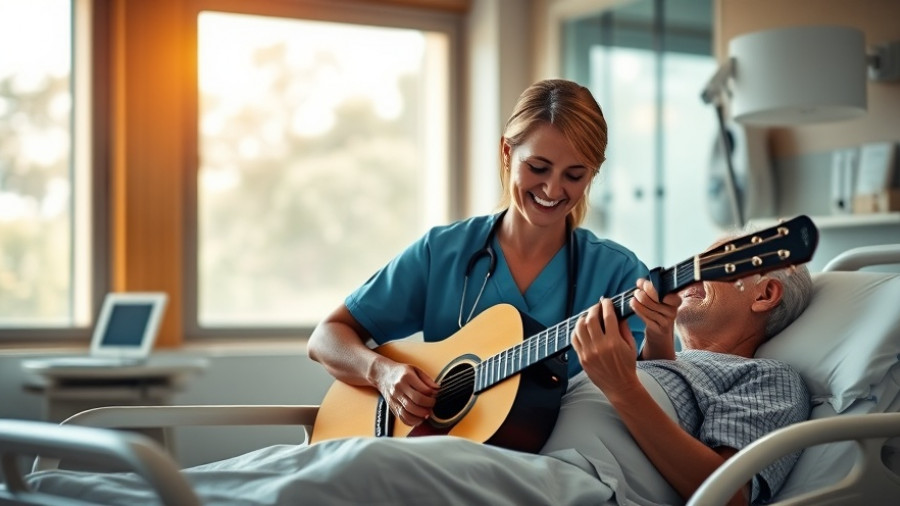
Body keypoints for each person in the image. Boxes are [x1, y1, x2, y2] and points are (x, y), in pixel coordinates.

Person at [308, 79, 671, 428]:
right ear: (507, 153)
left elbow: (657, 396)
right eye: (538, 168)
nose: (552, 189)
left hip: (554, 458)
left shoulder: (618, 273)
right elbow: (327, 337)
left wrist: (659, 335)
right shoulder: (443, 252)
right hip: (434, 448)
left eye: (574, 175)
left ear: (591, 175)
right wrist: (382, 373)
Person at [547, 256, 815, 505]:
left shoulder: (770, 376)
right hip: (540, 465)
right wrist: (656, 338)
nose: (688, 274)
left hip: (580, 485)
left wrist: (623, 388)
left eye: (712, 263)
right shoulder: (659, 360)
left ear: (764, 294)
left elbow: (729, 493)